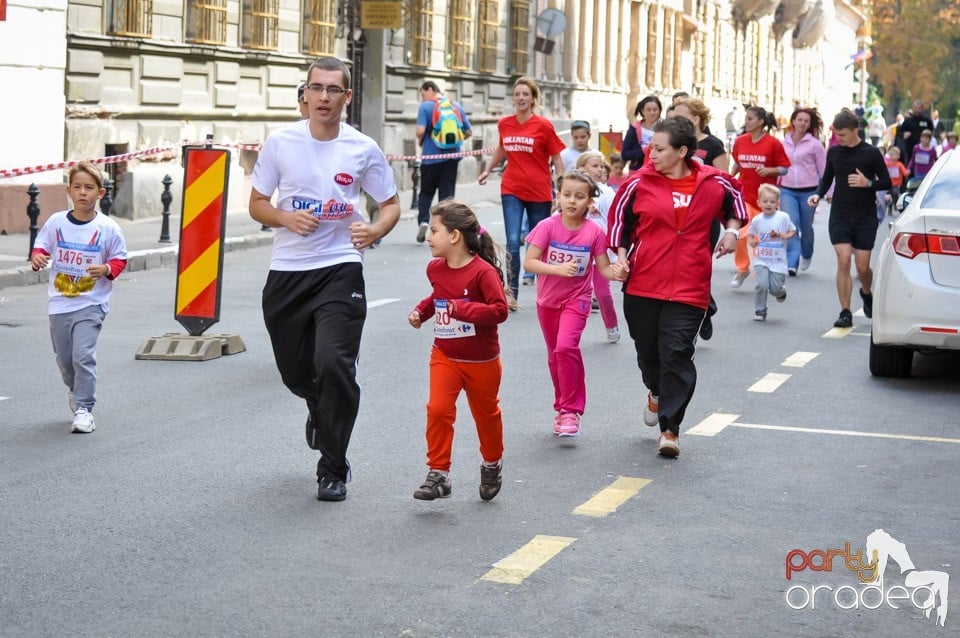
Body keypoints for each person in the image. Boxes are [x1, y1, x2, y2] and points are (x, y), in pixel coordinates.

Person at [249, 56, 401, 502]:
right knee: (296, 373)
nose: (323, 97)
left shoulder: (362, 148)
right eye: (316, 88)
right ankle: (317, 406)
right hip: (289, 273)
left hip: (340, 267)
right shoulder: (280, 143)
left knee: (334, 365)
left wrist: (374, 230)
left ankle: (332, 467)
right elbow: (258, 202)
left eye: (333, 90)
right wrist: (283, 217)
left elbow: (390, 203)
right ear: (305, 94)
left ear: (346, 97)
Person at [608, 117, 746, 458]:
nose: (650, 154)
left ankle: (670, 429)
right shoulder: (637, 183)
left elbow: (737, 207)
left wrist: (731, 233)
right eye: (651, 147)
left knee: (677, 354)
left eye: (659, 148)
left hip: (690, 286)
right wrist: (621, 258)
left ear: (682, 151)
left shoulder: (714, 182)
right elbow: (618, 225)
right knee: (648, 354)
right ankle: (655, 392)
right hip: (643, 283)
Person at [408, 200, 509, 502]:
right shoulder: (435, 269)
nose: (429, 236)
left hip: (482, 360)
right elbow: (438, 297)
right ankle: (438, 474)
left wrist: (462, 309)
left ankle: (492, 463)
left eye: (435, 230)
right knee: (438, 410)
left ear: (454, 237)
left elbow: (500, 310)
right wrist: (421, 311)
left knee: (486, 416)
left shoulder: (483, 273)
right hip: (445, 355)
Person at [29, 161, 128, 434]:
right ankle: (75, 389)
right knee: (64, 358)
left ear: (100, 193)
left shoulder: (108, 228)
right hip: (60, 301)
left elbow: (120, 259)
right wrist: (37, 258)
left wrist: (106, 269)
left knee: (82, 355)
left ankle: (84, 409)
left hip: (91, 303)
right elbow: (41, 246)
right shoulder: (57, 222)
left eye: (89, 187)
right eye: (77, 187)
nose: (82, 192)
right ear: (69, 191)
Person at [523, 170, 619, 437]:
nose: (572, 201)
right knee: (555, 356)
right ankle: (560, 407)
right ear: (558, 196)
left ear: (589, 202)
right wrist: (558, 269)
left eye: (579, 196)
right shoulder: (547, 226)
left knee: (566, 348)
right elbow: (529, 262)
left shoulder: (593, 233)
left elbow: (604, 270)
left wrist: (620, 271)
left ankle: (570, 410)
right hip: (547, 301)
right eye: (567, 195)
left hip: (577, 299)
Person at [478, 76, 565, 310]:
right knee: (513, 243)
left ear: (533, 99)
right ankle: (511, 295)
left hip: (539, 193)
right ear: (513, 98)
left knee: (540, 245)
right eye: (517, 94)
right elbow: (502, 149)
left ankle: (547, 294)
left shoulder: (544, 126)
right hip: (512, 189)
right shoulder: (505, 124)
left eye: (526, 94)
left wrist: (562, 187)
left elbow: (556, 157)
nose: (521, 98)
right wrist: (487, 169)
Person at [807, 109, 891, 329]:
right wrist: (817, 193)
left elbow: (886, 182)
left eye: (842, 134)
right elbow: (826, 179)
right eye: (836, 134)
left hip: (865, 217)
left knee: (862, 267)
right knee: (844, 260)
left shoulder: (871, 153)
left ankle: (866, 292)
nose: (838, 138)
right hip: (840, 214)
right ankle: (845, 312)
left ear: (855, 131)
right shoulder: (834, 152)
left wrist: (868, 184)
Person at [672, 96, 729, 340]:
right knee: (678, 265)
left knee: (698, 266)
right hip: (675, 213)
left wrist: (730, 225)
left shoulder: (713, 145)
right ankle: (701, 306)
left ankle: (701, 309)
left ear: (696, 119)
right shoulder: (673, 143)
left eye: (681, 115)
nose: (675, 119)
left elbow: (723, 182)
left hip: (704, 216)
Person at [729, 106, 791, 288]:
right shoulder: (740, 141)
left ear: (760, 122)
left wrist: (769, 170)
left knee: (763, 238)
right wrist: (731, 179)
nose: (746, 122)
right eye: (746, 118)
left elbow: (784, 168)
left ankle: (770, 274)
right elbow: (738, 164)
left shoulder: (773, 143)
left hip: (766, 200)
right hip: (745, 195)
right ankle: (742, 269)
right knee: (740, 234)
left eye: (750, 119)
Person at [415, 80, 472, 243]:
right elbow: (468, 131)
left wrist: (426, 138)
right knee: (447, 196)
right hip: (452, 158)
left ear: (430, 89)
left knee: (426, 192)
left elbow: (420, 131)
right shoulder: (456, 106)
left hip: (431, 157)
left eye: (423, 93)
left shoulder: (425, 107)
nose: (422, 97)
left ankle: (424, 221)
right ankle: (446, 230)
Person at [576, 150, 621, 343]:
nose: (599, 169)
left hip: (600, 250)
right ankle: (573, 330)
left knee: (603, 293)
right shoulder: (573, 191)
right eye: (595, 166)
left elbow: (616, 219)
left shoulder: (607, 192)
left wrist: (618, 249)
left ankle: (611, 326)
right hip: (577, 250)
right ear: (581, 169)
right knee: (578, 295)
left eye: (601, 166)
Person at [780, 107, 826, 275]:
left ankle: (807, 252)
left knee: (806, 227)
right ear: (793, 121)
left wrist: (828, 193)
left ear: (809, 124)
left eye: (806, 121)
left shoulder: (815, 145)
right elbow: (779, 166)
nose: (802, 123)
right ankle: (792, 263)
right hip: (787, 190)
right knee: (792, 224)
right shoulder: (783, 142)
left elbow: (824, 171)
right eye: (799, 119)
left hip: (809, 191)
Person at [748, 184, 797, 321]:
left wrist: (786, 235)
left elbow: (792, 230)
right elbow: (750, 235)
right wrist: (752, 241)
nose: (768, 204)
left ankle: (781, 291)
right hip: (761, 259)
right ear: (759, 203)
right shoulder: (757, 220)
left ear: (778, 203)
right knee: (761, 285)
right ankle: (760, 310)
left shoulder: (783, 217)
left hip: (778, 261)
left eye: (772, 201)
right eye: (765, 201)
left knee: (775, 289)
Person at [621, 95, 662, 172]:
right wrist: (645, 150)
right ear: (642, 111)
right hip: (638, 171)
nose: (652, 112)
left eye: (655, 109)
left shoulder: (666, 128)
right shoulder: (634, 128)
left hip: (659, 172)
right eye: (649, 110)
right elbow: (625, 154)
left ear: (660, 111)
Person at [882, 145, 909, 217]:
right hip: (889, 184)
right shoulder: (887, 164)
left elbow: (904, 173)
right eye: (892, 154)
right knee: (888, 197)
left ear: (898, 156)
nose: (893, 156)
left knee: (895, 193)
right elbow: (883, 171)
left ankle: (895, 204)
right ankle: (890, 208)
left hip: (897, 184)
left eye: (895, 154)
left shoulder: (899, 164)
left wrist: (907, 172)